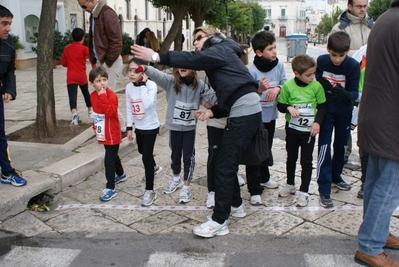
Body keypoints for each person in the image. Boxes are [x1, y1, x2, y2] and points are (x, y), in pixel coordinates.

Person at [131, 31, 263, 238]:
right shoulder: (222, 56)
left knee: (224, 166)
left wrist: (157, 57)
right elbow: (229, 97)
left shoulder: (220, 49)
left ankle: (219, 220)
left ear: (211, 40)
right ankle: (236, 205)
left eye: (198, 41)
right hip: (242, 110)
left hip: (244, 112)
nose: (195, 46)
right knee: (224, 162)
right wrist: (212, 111)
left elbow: (195, 59)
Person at [354, 1, 399, 266]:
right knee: (390, 185)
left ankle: (376, 233)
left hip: (374, 113)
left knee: (374, 181)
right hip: (391, 119)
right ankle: (370, 245)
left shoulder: (386, 17)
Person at [134, 63, 216, 204]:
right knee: (175, 154)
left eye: (186, 65)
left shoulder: (199, 85)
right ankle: (176, 178)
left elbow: (212, 97)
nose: (182, 68)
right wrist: (145, 68)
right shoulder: (171, 81)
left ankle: (186, 186)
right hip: (174, 127)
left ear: (193, 68)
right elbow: (157, 75)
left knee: (189, 157)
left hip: (190, 127)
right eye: (179, 65)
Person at [192, 26, 246, 209]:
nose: (195, 42)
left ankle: (233, 181)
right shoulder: (202, 64)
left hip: (234, 114)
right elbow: (197, 89)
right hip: (215, 116)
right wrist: (205, 102)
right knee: (214, 154)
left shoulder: (227, 54)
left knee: (231, 152)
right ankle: (212, 191)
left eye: (199, 37)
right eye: (194, 40)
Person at [315, 31, 359, 208]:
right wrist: (319, 81)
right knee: (324, 147)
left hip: (344, 112)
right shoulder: (322, 60)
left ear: (347, 51)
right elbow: (315, 78)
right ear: (328, 49)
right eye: (334, 55)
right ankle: (324, 187)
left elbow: (355, 92)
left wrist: (346, 94)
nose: (337, 59)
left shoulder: (353, 65)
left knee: (340, 146)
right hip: (326, 111)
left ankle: (336, 176)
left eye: (342, 55)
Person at [277, 55, 326, 207]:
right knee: (291, 157)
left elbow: (323, 106)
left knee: (306, 160)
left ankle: (304, 191)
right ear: (297, 73)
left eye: (314, 73)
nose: (312, 77)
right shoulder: (288, 86)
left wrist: (317, 123)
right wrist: (288, 108)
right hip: (292, 129)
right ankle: (290, 183)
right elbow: (280, 105)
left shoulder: (316, 86)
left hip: (308, 131)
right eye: (308, 75)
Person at [330, 0, 374, 164]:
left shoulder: (373, 26)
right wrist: (361, 54)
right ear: (350, 6)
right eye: (359, 6)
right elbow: (335, 53)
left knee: (367, 120)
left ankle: (367, 156)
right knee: (345, 120)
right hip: (347, 82)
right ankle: (344, 156)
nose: (363, 9)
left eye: (365, 6)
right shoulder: (340, 28)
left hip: (369, 82)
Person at [249, 31, 285, 191]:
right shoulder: (252, 70)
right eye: (270, 49)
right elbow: (247, 93)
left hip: (271, 116)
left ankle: (265, 177)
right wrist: (259, 88)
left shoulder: (279, 65)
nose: (274, 51)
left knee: (267, 146)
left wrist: (278, 88)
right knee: (257, 148)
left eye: (275, 47)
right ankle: (257, 180)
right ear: (258, 52)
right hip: (256, 117)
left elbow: (285, 82)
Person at [124, 58, 161, 206]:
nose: (132, 73)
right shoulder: (128, 87)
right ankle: (155, 167)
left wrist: (144, 85)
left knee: (146, 156)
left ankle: (149, 191)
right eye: (129, 70)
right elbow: (128, 107)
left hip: (151, 126)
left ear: (143, 71)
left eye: (135, 70)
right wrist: (128, 127)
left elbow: (147, 104)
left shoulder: (151, 85)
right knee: (142, 151)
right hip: (139, 127)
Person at [89, 66, 125, 202]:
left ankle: (111, 187)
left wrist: (103, 96)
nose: (102, 83)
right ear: (92, 83)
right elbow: (96, 114)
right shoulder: (93, 96)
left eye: (104, 80)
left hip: (113, 132)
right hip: (103, 131)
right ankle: (121, 174)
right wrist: (95, 126)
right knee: (112, 155)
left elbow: (110, 112)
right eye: (98, 81)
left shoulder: (111, 95)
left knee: (108, 160)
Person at [0, 5, 27, 187]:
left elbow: (10, 70)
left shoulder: (8, 43)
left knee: (0, 135)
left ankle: (7, 172)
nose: (9, 28)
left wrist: (9, 90)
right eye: (4, 23)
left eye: (9, 23)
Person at [79, 0, 123, 92]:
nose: (84, 10)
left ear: (92, 1)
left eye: (84, 6)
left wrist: (108, 62)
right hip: (103, 61)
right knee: (102, 95)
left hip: (111, 62)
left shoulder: (107, 12)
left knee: (107, 95)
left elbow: (116, 41)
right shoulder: (95, 14)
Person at [61, 27, 94, 132]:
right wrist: (94, 68)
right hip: (81, 75)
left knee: (72, 96)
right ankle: (90, 111)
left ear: (72, 37)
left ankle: (74, 113)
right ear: (83, 37)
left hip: (71, 76)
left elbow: (63, 63)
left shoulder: (67, 48)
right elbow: (92, 59)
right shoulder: (84, 49)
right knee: (85, 93)